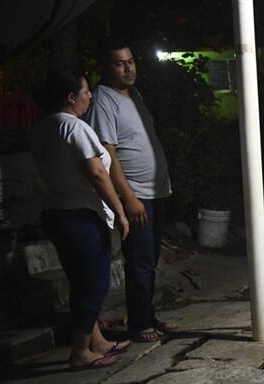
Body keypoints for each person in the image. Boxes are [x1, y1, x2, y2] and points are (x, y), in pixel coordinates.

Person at [31, 69, 131, 370]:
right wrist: (121, 210)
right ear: (71, 97)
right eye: (86, 91)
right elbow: (97, 173)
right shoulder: (74, 127)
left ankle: (96, 340)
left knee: (80, 280)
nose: (90, 96)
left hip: (57, 211)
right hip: (81, 213)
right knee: (95, 282)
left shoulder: (43, 127)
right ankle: (79, 352)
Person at [86, 40, 177, 342]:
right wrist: (129, 198)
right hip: (137, 194)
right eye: (119, 63)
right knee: (139, 260)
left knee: (149, 260)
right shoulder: (103, 99)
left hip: (155, 191)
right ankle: (139, 324)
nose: (128, 68)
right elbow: (107, 153)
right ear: (105, 68)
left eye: (131, 61)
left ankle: (147, 314)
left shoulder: (134, 94)